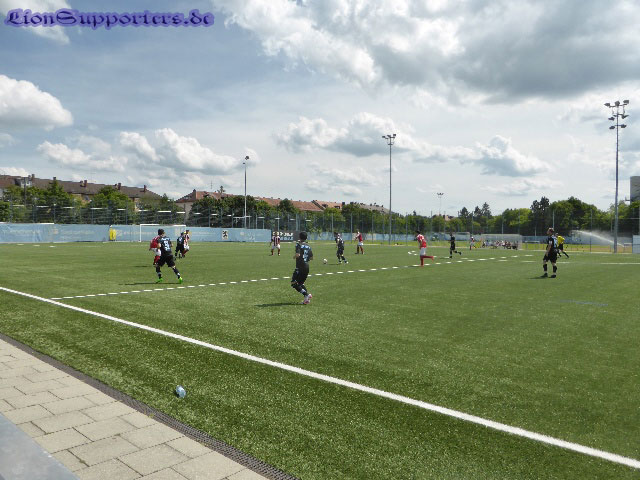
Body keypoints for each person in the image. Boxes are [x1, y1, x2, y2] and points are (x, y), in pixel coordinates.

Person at [291, 231, 313, 304]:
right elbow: (311, 258)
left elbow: (298, 254)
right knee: (301, 283)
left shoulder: (298, 244)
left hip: (300, 267)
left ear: (299, 237)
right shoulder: (308, 246)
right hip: (307, 266)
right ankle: (306, 299)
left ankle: (306, 295)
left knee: (293, 283)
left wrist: (294, 257)